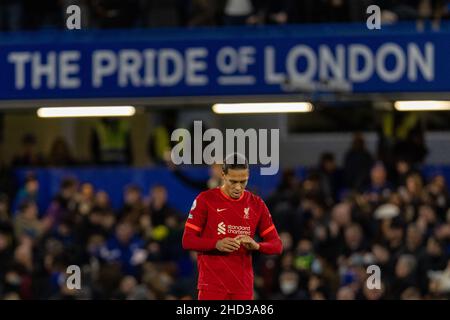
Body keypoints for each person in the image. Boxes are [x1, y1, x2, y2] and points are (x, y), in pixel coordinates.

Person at [182, 153, 283, 300]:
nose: (238, 187)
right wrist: (216, 244)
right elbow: (187, 240)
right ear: (223, 175)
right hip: (212, 286)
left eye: (243, 182)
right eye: (233, 181)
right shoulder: (205, 200)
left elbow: (277, 245)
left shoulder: (257, 204)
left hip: (243, 287)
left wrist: (257, 246)